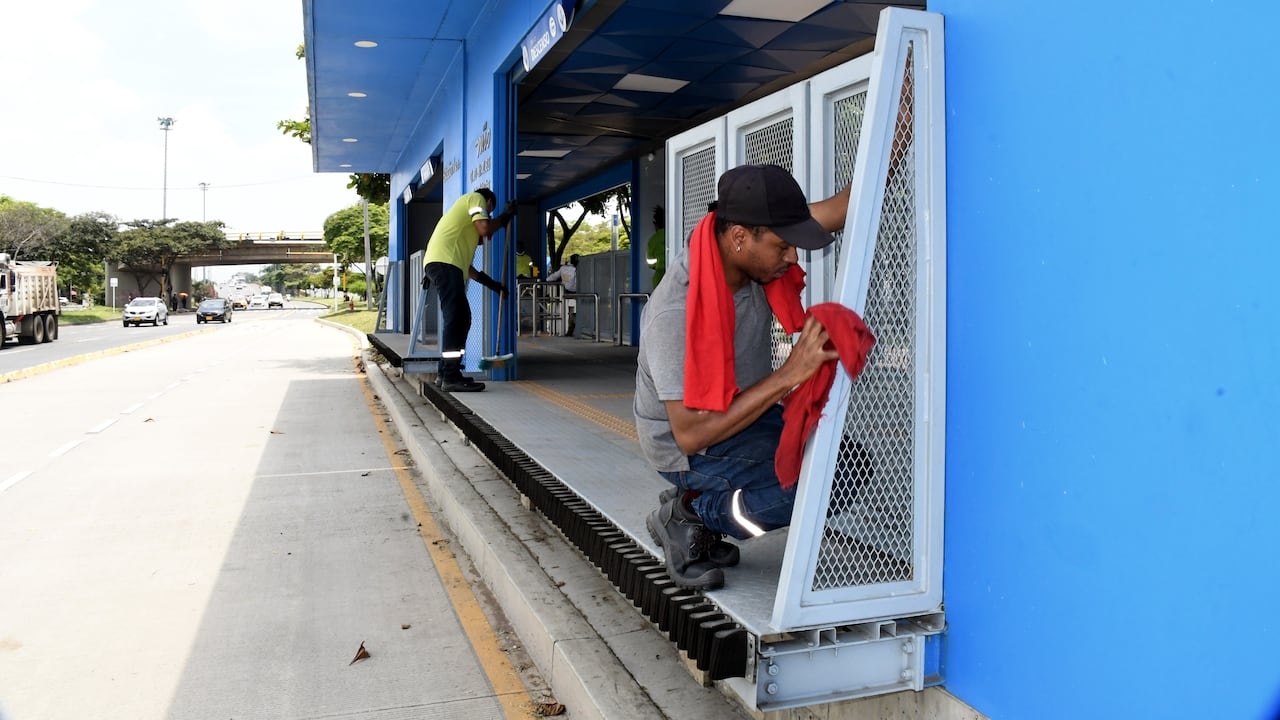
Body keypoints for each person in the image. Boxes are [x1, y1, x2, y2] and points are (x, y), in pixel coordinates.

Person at [634, 164, 851, 590]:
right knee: (811, 484)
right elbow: (691, 436)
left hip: (746, 415)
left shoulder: (752, 241)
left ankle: (701, 506)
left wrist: (897, 135)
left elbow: (843, 206)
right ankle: (693, 514)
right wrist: (791, 373)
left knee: (845, 468)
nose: (793, 258)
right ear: (739, 238)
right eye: (783, 246)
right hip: (688, 447)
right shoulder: (674, 313)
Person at [424, 187, 515, 392]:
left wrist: (493, 285)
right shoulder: (476, 198)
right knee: (456, 319)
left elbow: (468, 269)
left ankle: (446, 372)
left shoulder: (463, 234)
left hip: (444, 265)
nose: (487, 215)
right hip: (444, 264)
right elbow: (485, 228)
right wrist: (504, 217)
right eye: (489, 211)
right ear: (489, 202)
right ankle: (450, 376)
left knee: (461, 318)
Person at [545, 253, 580, 336]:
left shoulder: (563, 268)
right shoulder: (578, 269)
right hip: (577, 293)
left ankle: (570, 327)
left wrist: (546, 280)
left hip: (565, 292)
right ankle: (573, 326)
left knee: (569, 311)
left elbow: (552, 277)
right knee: (574, 310)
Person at [645, 205, 666, 288]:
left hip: (659, 277)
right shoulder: (676, 235)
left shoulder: (653, 240)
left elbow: (650, 263)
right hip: (676, 274)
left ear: (655, 224)